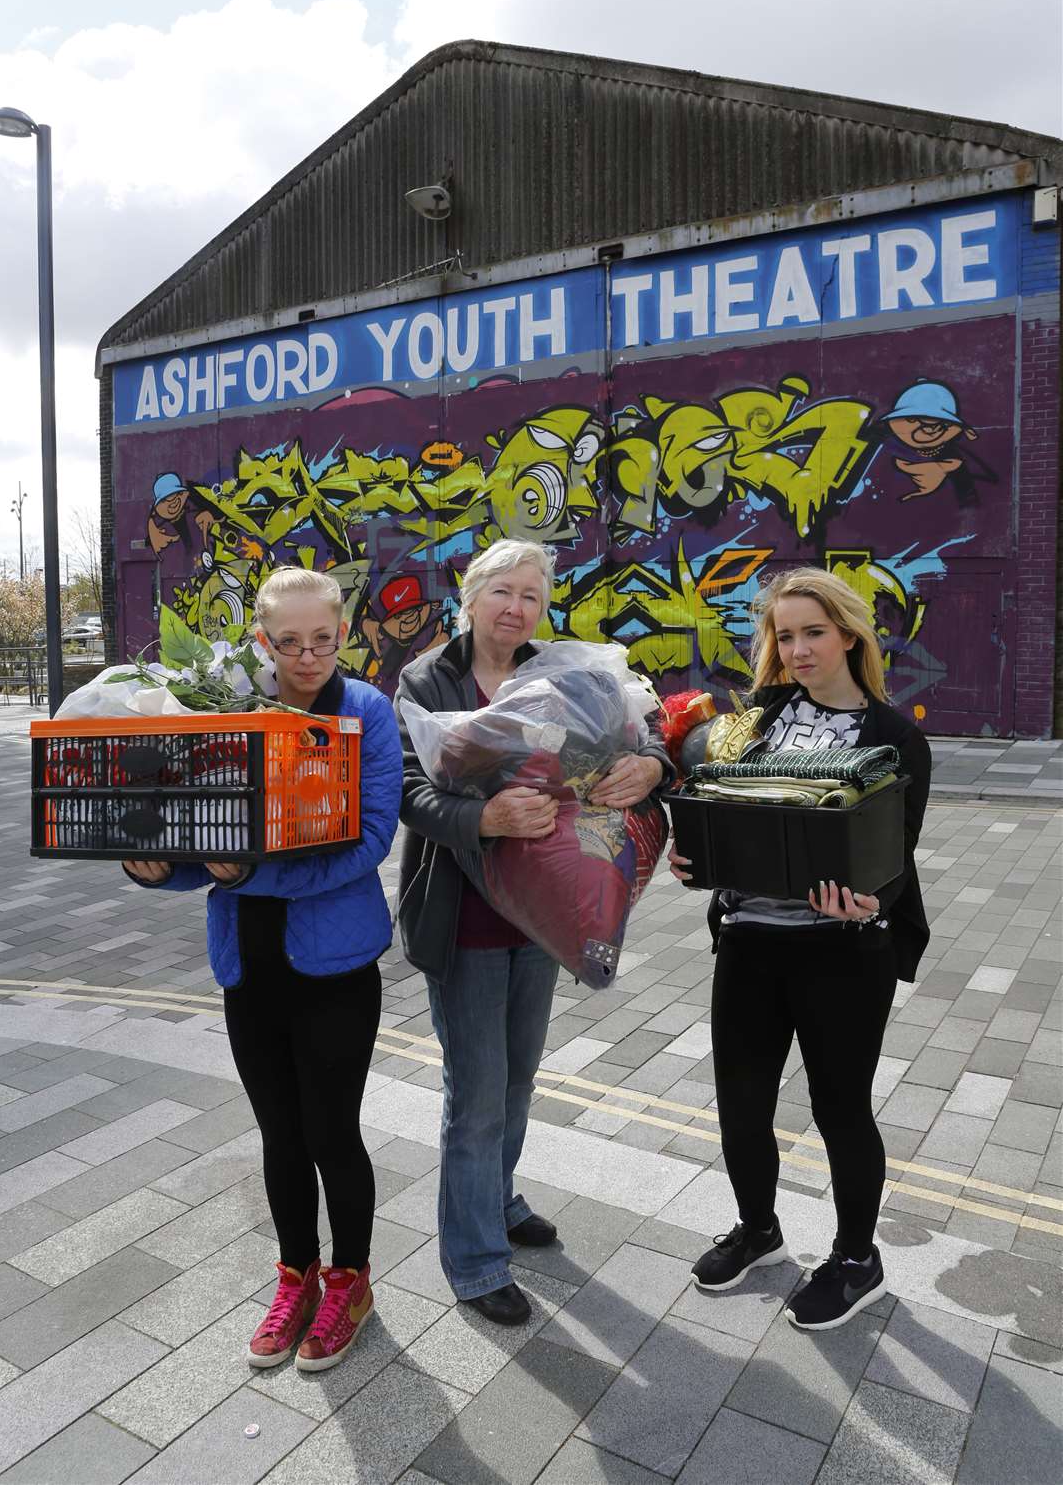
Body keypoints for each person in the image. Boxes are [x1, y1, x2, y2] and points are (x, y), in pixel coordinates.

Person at [123, 567, 402, 1371]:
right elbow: (202, 837)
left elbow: (368, 842)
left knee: (330, 1132)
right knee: (280, 1135)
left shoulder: (367, 714)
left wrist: (250, 875)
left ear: (343, 633)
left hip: (337, 966)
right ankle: (296, 1276)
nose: (308, 656)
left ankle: (351, 1278)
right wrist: (156, 871)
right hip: (248, 963)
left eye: (323, 639)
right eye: (289, 642)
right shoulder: (229, 714)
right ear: (261, 641)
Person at [395, 538, 673, 1324]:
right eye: (502, 592)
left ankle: (497, 1197)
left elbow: (640, 731)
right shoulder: (427, 679)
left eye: (531, 596)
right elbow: (409, 794)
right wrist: (482, 816)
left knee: (518, 1079)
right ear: (471, 596)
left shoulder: (569, 670)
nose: (516, 608)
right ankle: (477, 1260)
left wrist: (650, 768)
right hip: (466, 920)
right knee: (476, 1094)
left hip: (546, 915)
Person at [671, 566, 931, 1331]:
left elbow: (893, 854)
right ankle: (760, 1231)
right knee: (742, 1107)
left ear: (849, 634)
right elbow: (717, 806)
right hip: (751, 941)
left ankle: (857, 1260)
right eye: (785, 636)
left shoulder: (895, 738)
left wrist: (866, 902)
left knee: (840, 1108)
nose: (799, 649)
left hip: (843, 953)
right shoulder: (754, 718)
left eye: (813, 632)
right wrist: (699, 863)